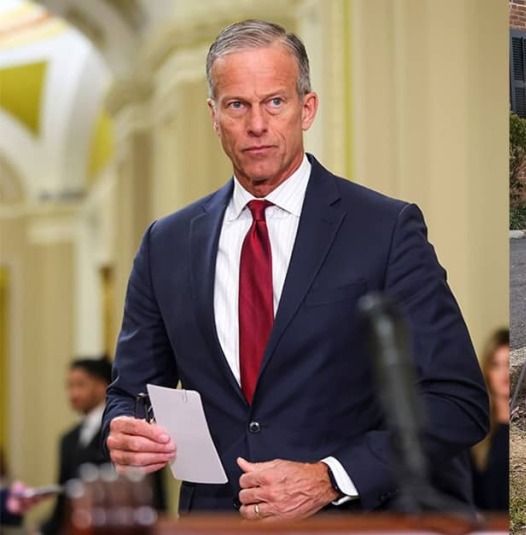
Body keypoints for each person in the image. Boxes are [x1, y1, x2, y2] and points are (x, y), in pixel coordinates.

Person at [101, 19, 489, 521]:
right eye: (237, 105)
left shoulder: (384, 228)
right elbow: (129, 394)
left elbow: (457, 402)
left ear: (307, 109)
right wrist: (128, 430)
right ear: (214, 116)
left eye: (275, 102)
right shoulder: (166, 243)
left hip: (345, 523)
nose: (257, 124)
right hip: (213, 522)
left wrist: (330, 477)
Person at [42, 358, 165, 535]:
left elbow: (151, 496)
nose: (72, 393)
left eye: (80, 385)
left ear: (101, 386)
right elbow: (63, 502)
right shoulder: (68, 439)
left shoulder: (128, 434)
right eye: (69, 386)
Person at [471, 329, 510, 511]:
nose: (504, 373)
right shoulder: (478, 431)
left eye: (508, 364)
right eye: (496, 365)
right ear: (487, 371)